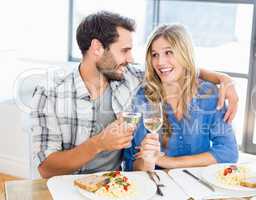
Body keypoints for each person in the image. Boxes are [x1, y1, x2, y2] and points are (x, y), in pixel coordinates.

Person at [31, 11, 238, 178]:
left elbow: (177, 69)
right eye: (125, 50)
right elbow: (46, 168)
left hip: (115, 184)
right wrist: (98, 143)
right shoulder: (50, 93)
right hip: (64, 186)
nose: (131, 58)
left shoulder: (129, 76)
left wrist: (222, 79)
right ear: (97, 48)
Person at [124, 24, 238, 171]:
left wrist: (169, 162)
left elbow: (228, 153)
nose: (160, 62)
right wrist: (148, 161)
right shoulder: (143, 98)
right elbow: (132, 165)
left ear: (184, 54)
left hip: (198, 185)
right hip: (158, 185)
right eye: (155, 55)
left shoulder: (209, 94)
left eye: (168, 52)